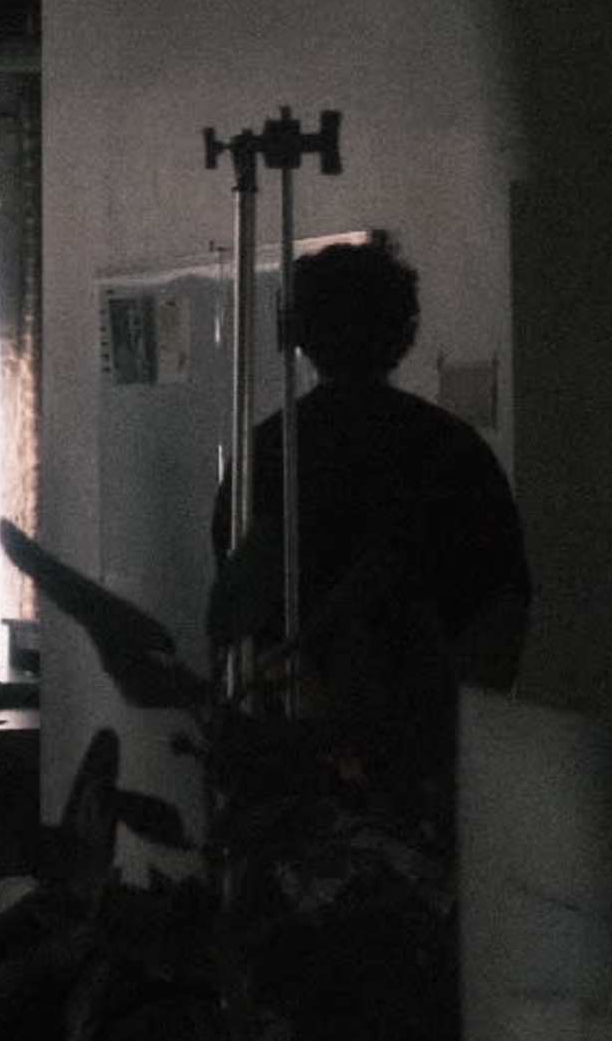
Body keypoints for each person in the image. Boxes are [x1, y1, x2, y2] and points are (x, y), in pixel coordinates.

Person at [208, 239, 530, 828]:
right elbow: (501, 617)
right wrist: (439, 739)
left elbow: (244, 624)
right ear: (404, 331)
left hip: (293, 770)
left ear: (298, 334)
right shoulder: (452, 451)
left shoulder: (267, 456)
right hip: (426, 771)